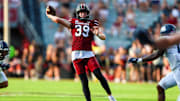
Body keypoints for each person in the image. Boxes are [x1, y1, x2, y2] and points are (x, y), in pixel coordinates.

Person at [46, 3, 116, 101]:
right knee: (84, 81)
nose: (83, 14)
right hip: (76, 55)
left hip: (88, 54)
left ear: (87, 13)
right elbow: (58, 20)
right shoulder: (73, 22)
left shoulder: (92, 23)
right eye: (81, 12)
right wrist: (49, 15)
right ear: (78, 13)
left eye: (84, 12)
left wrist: (98, 34)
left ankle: (111, 97)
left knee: (99, 75)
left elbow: (103, 36)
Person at [128, 24, 180, 101]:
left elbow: (156, 52)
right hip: (176, 70)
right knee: (160, 86)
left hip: (178, 70)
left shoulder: (168, 40)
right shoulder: (176, 38)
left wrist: (147, 41)